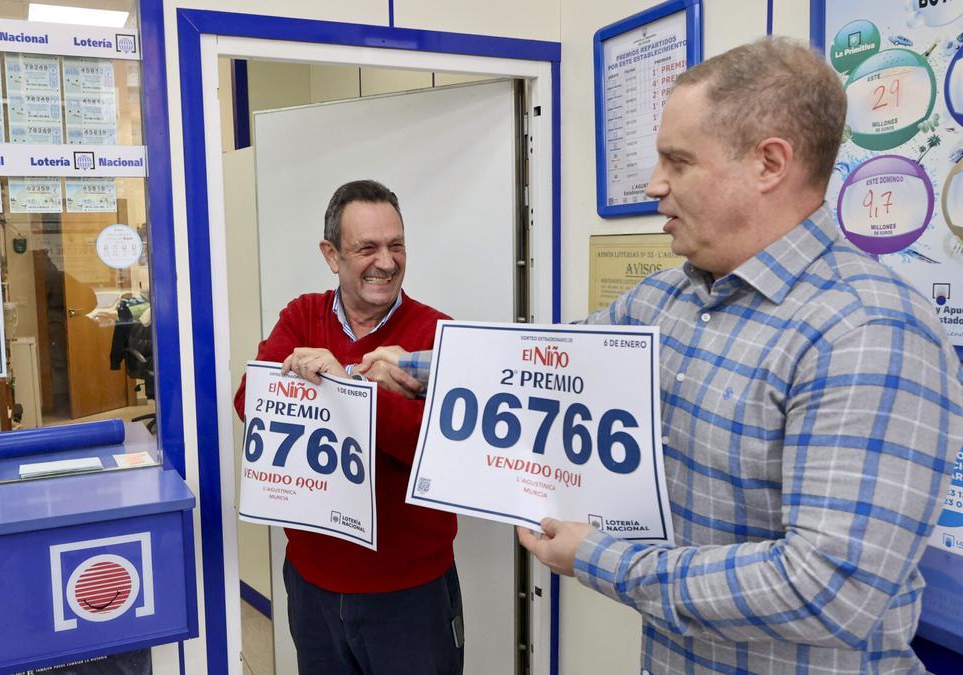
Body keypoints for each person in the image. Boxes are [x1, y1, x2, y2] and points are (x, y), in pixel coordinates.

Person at [372, 38, 963, 672]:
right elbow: (561, 366)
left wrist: (601, 558)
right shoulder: (670, 298)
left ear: (769, 164)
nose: (654, 185)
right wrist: (414, 368)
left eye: (677, 161)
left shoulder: (869, 331)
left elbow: (830, 587)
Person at [233, 179, 462, 675]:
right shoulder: (301, 315)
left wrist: (345, 387)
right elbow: (251, 402)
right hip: (312, 583)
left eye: (396, 244)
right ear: (332, 255)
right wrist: (365, 386)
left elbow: (439, 448)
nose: (387, 261)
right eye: (367, 248)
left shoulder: (438, 336)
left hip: (410, 592)